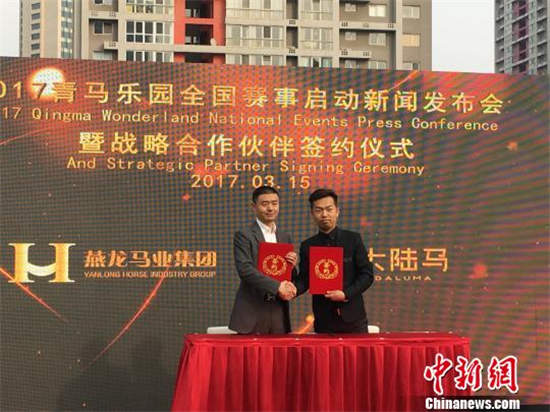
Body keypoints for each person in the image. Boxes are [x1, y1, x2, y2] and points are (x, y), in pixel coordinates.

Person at [295, 188, 374, 333]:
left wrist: (345, 294)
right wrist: (292, 289)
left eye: (329, 209)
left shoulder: (353, 239)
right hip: (323, 319)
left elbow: (367, 275)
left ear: (337, 211)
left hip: (354, 319)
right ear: (312, 214)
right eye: (319, 210)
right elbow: (305, 279)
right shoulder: (307, 245)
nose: (324, 214)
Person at [228, 186, 297, 334]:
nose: (270, 208)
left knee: (279, 350)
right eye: (265, 204)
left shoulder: (285, 237)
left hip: (278, 311)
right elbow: (245, 270)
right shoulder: (244, 235)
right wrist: (277, 287)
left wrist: (291, 265)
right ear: (254, 206)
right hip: (252, 311)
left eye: (274, 203)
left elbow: (287, 275)